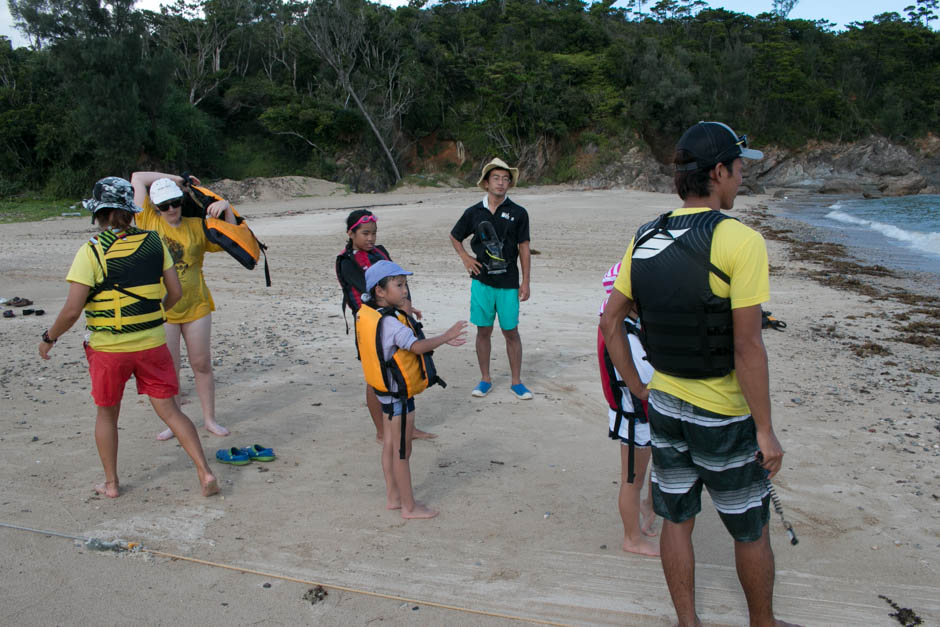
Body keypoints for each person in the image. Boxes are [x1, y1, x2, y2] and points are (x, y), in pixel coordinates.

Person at [600, 122, 795, 627]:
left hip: (664, 405)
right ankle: (763, 624)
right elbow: (748, 346)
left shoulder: (646, 235)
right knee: (750, 529)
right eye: (739, 167)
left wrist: (640, 387)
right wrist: (765, 430)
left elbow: (610, 319)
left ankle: (688, 623)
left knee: (676, 521)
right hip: (723, 413)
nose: (742, 177)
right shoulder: (741, 240)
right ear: (718, 172)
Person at [38, 177, 218, 499]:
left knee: (107, 414)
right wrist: (154, 316)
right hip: (152, 343)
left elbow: (71, 311)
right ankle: (204, 472)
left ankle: (111, 484)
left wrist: (49, 337)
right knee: (172, 411)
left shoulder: (91, 251)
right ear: (131, 211)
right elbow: (174, 293)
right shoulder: (154, 242)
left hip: (109, 350)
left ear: (99, 214)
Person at [357, 260, 467, 519]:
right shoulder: (392, 324)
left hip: (385, 393)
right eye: (398, 285)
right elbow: (416, 347)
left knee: (389, 445)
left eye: (406, 284)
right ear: (380, 292)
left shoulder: (368, 314)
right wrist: (446, 336)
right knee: (402, 451)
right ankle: (409, 506)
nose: (405, 290)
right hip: (398, 397)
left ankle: (393, 498)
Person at [130, 172, 231, 441]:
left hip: (196, 304)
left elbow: (231, 239)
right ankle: (174, 422)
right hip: (163, 308)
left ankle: (209, 419)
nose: (171, 209)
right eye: (164, 205)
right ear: (155, 207)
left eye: (175, 203)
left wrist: (227, 208)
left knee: (201, 363)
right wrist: (179, 178)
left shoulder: (196, 225)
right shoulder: (146, 221)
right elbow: (138, 177)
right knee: (169, 367)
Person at [335, 209, 435, 442]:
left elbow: (396, 280)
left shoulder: (380, 252)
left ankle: (408, 428)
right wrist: (400, 307)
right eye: (365, 233)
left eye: (374, 233)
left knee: (404, 366)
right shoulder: (346, 261)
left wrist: (407, 305)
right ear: (351, 233)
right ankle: (382, 431)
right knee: (375, 375)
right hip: (370, 325)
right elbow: (370, 291)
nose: (370, 239)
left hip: (393, 319)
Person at [449, 158, 532, 400]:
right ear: (486, 183)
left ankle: (517, 382)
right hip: (482, 280)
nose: (501, 183)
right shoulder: (474, 212)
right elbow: (455, 236)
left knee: (511, 331)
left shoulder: (519, 213)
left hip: (508, 282)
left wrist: (526, 281)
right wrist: (465, 257)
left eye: (506, 179)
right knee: (483, 331)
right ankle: (485, 379)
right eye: (496, 178)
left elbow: (524, 246)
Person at [597, 262, 659, 557]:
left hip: (643, 415)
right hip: (635, 418)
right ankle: (631, 538)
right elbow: (644, 381)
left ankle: (647, 506)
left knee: (648, 470)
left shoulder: (629, 323)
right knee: (631, 480)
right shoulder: (622, 333)